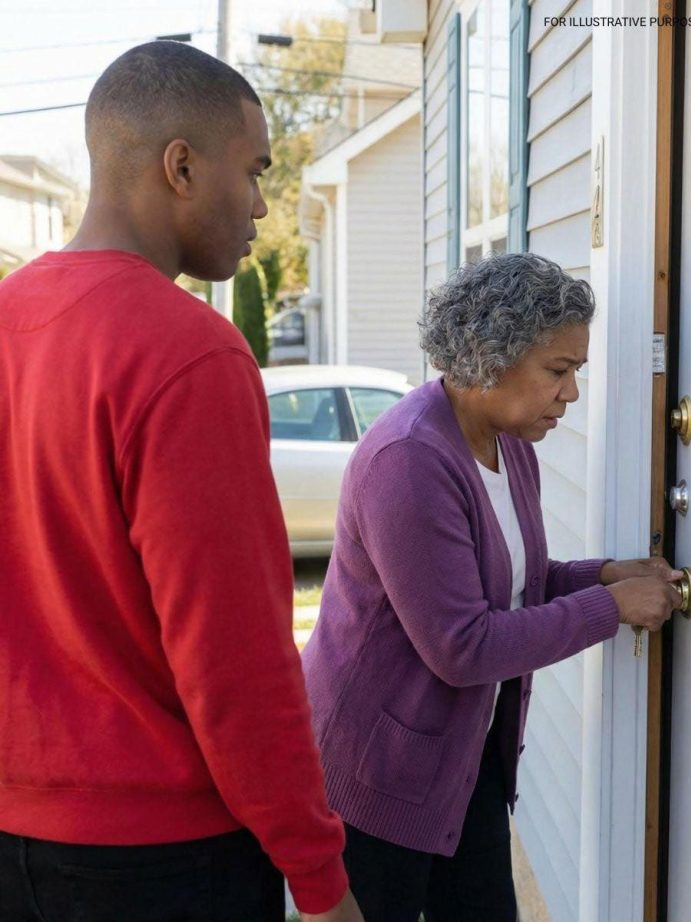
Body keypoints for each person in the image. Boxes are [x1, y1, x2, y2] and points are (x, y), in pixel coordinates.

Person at [0, 41, 362, 922]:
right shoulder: (187, 350)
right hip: (159, 861)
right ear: (182, 166)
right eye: (257, 170)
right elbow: (235, 660)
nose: (264, 207)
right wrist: (319, 879)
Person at [301, 252, 682, 922]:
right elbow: (463, 644)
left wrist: (601, 576)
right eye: (558, 372)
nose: (571, 394)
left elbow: (513, 587)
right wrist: (609, 607)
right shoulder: (411, 461)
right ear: (490, 357)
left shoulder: (510, 447)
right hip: (376, 777)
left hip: (460, 762)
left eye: (575, 373)